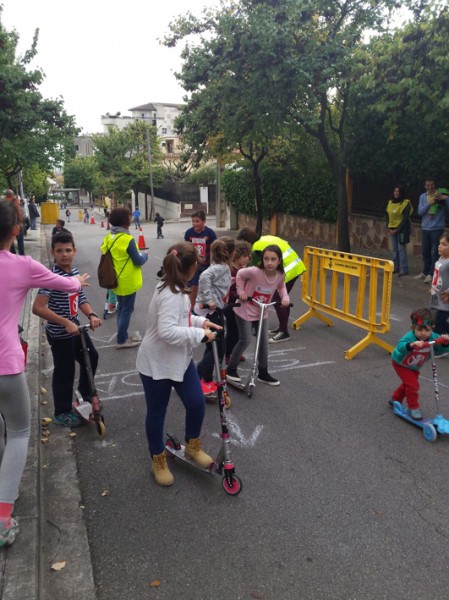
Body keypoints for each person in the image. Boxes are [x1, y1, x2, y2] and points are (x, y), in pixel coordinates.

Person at [0, 200, 89, 547]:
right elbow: (66, 287)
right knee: (20, 432)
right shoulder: (22, 265)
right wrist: (78, 279)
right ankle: (4, 518)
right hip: (6, 364)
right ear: (16, 230)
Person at [136, 242, 221, 486]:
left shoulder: (176, 287)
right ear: (193, 267)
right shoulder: (170, 293)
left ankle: (193, 446)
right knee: (157, 412)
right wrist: (200, 336)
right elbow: (166, 332)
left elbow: (181, 318)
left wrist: (199, 323)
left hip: (179, 361)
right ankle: (157, 457)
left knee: (196, 403)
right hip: (157, 365)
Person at [33, 232, 102, 426]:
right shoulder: (51, 277)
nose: (64, 254)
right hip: (60, 333)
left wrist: (91, 315)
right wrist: (65, 322)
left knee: (92, 358)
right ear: (52, 252)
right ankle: (61, 411)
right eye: (60, 251)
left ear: (75, 251)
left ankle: (83, 394)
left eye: (68, 250)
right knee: (65, 371)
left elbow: (79, 298)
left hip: (76, 329)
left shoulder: (74, 273)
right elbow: (38, 307)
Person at [226, 245, 290, 387]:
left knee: (263, 343)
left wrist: (285, 297)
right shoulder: (255, 272)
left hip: (262, 311)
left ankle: (263, 372)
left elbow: (281, 286)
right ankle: (231, 369)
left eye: (273, 259)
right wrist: (241, 291)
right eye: (266, 259)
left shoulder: (280, 274)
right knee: (245, 339)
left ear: (279, 261)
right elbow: (240, 275)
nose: (269, 262)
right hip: (245, 309)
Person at [236, 228, 306, 343]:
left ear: (246, 241)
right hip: (295, 265)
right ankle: (281, 327)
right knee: (282, 299)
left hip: (287, 269)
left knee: (278, 298)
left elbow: (255, 270)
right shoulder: (262, 239)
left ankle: (284, 332)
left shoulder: (256, 248)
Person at [100, 207, 148, 349]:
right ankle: (122, 340)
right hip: (127, 280)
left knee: (121, 308)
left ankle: (123, 335)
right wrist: (145, 255)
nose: (131, 218)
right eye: (129, 216)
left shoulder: (109, 237)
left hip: (115, 278)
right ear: (124, 221)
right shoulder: (127, 239)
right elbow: (138, 260)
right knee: (126, 309)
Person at [390, 308, 449, 420]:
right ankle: (413, 407)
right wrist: (411, 345)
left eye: (427, 330)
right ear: (412, 328)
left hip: (414, 366)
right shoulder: (409, 337)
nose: (423, 333)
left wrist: (445, 343)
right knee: (412, 385)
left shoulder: (434, 337)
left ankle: (395, 399)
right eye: (419, 330)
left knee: (409, 384)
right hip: (400, 363)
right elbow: (400, 347)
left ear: (433, 328)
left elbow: (439, 351)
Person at [195, 237, 235, 396]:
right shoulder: (220, 268)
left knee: (213, 344)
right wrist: (210, 300)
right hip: (209, 312)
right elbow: (204, 277)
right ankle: (198, 374)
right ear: (231, 254)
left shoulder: (221, 267)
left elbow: (216, 283)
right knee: (219, 346)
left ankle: (206, 378)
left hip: (212, 311)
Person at [415, 177, 449, 283]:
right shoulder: (423, 197)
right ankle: (425, 272)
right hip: (425, 228)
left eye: (432, 185)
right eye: (428, 185)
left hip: (437, 228)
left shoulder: (441, 195)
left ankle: (431, 273)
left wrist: (445, 198)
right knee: (425, 251)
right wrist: (430, 203)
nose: (430, 187)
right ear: (425, 186)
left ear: (435, 185)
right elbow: (420, 212)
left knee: (435, 252)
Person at [225, 240, 252, 363]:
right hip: (231, 305)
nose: (248, 258)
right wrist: (237, 294)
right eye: (244, 256)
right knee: (232, 332)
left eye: (248, 256)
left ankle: (235, 351)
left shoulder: (245, 270)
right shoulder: (231, 271)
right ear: (236, 256)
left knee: (240, 332)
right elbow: (228, 290)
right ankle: (227, 353)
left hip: (241, 305)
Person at [184, 210, 217, 309]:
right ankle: (192, 308)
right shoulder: (189, 233)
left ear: (204, 221)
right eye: (193, 221)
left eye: (197, 221)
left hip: (207, 265)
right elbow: (186, 248)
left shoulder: (210, 233)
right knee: (193, 286)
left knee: (206, 287)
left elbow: (216, 248)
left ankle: (208, 306)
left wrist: (214, 262)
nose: (194, 223)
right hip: (194, 265)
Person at [386, 186, 413, 276]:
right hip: (392, 229)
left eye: (398, 191)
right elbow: (387, 216)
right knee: (395, 250)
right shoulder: (390, 203)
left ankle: (404, 269)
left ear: (401, 193)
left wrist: (398, 229)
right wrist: (389, 228)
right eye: (395, 191)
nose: (396, 193)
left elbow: (405, 218)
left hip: (402, 230)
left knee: (401, 249)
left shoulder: (406, 203)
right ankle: (395, 268)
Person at [430, 233, 449, 334]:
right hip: (435, 299)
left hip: (444, 303)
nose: (440, 246)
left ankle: (437, 348)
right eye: (439, 244)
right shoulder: (441, 259)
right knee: (434, 325)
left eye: (444, 244)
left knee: (439, 327)